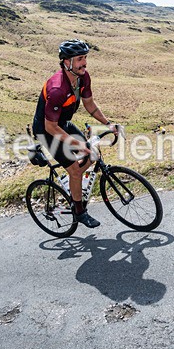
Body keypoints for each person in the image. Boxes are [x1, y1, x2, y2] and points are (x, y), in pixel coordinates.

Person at [32, 39, 117, 228]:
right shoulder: (57, 89)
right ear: (66, 62)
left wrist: (108, 124)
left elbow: (89, 104)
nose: (84, 63)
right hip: (46, 130)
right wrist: (79, 145)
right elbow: (51, 127)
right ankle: (79, 211)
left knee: (93, 154)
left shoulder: (83, 77)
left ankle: (74, 186)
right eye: (79, 59)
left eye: (85, 58)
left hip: (63, 124)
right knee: (76, 170)